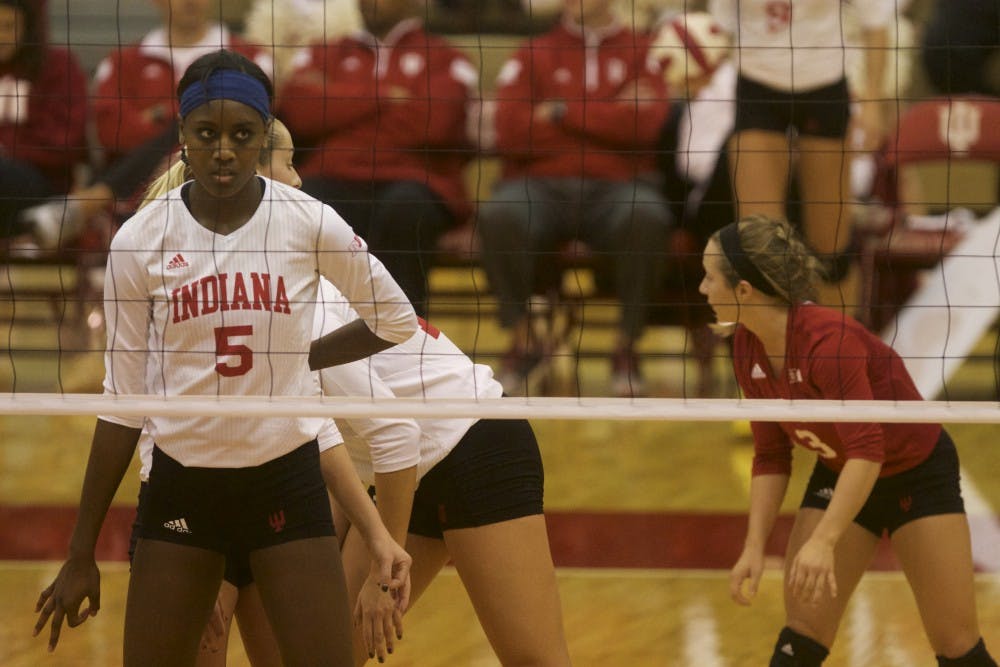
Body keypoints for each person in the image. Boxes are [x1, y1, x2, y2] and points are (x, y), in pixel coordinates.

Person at [31, 49, 418, 665]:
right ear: (181, 135)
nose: (223, 151)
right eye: (206, 134)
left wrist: (299, 358)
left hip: (286, 482)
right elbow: (122, 402)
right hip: (183, 489)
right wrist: (81, 550)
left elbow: (394, 320)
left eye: (242, 135)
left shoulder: (309, 222)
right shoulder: (140, 239)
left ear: (265, 136)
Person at [698, 214, 997, 667]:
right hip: (841, 471)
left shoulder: (827, 343)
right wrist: (754, 546)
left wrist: (824, 540)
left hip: (915, 473)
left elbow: (869, 450)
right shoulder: (747, 347)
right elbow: (771, 454)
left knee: (957, 647)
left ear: (744, 291)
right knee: (800, 637)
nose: (702, 288)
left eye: (709, 277)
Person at [477, 0, 673, 398]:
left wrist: (561, 112)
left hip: (618, 188)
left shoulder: (644, 51)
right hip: (540, 184)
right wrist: (612, 117)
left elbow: (648, 127)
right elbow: (511, 131)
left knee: (648, 216)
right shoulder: (533, 53)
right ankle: (524, 337)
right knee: (499, 214)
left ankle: (627, 345)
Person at [278, 0, 478, 318]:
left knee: (406, 208)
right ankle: (311, 333)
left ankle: (403, 340)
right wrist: (385, 97)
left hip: (414, 183)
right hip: (334, 178)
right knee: (299, 204)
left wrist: (340, 102)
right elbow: (300, 110)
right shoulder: (321, 52)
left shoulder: (447, 57)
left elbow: (436, 122)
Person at [19, 0, 273, 249]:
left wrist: (157, 115)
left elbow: (257, 128)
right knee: (193, 131)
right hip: (139, 190)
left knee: (198, 136)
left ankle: (86, 204)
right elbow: (112, 133)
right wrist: (197, 114)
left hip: (227, 181)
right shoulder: (124, 61)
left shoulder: (249, 57)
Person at [707, 0, 897, 309]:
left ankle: (840, 353)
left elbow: (876, 22)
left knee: (830, 254)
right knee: (760, 248)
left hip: (823, 87)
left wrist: (873, 102)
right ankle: (773, 356)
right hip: (758, 89)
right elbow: (720, 29)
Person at [0, 0, 87, 246]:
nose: (1, 36)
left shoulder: (58, 66)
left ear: (27, 28)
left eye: (8, 26)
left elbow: (66, 143)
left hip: (43, 187)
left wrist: (8, 148)